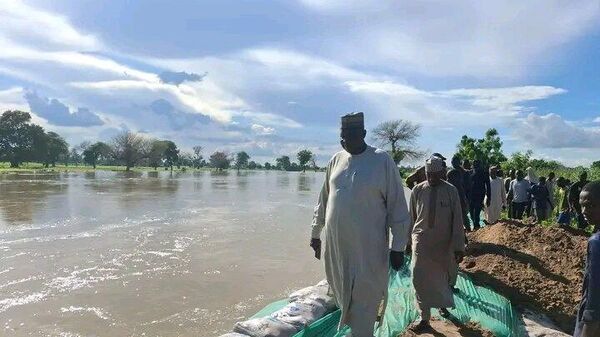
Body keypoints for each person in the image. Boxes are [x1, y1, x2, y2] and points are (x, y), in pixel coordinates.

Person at [310, 112, 411, 337]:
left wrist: (398, 247)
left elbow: (398, 207)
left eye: (352, 134)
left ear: (364, 134)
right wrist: (315, 233)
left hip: (369, 250)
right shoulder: (335, 160)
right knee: (342, 294)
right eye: (343, 135)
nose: (346, 139)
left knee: (366, 297)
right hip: (337, 250)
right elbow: (324, 200)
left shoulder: (382, 160)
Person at [409, 156, 465, 333]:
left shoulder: (451, 191)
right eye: (428, 175)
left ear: (442, 172)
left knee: (443, 277)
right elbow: (411, 218)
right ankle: (424, 319)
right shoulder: (418, 190)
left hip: (444, 244)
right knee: (418, 277)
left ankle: (442, 305)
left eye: (435, 175)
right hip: (421, 241)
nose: (431, 178)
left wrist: (458, 246)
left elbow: (457, 220)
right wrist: (405, 243)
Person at [574, 180, 600, 337]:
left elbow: (595, 295)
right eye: (582, 205)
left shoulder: (596, 242)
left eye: (590, 206)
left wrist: (587, 331)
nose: (584, 210)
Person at [447, 154, 470, 231]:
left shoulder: (464, 172)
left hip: (461, 195)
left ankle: (468, 232)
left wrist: (466, 198)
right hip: (452, 196)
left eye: (455, 161)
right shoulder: (450, 172)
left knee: (463, 216)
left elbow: (468, 186)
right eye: (452, 161)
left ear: (459, 162)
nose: (453, 163)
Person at [467, 159, 491, 230]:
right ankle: (475, 224)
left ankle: (476, 226)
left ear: (480, 165)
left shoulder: (484, 173)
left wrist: (489, 198)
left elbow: (488, 186)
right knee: (471, 212)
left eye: (477, 164)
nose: (475, 165)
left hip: (480, 195)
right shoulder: (470, 172)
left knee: (477, 212)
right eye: (474, 164)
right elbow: (467, 184)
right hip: (471, 195)